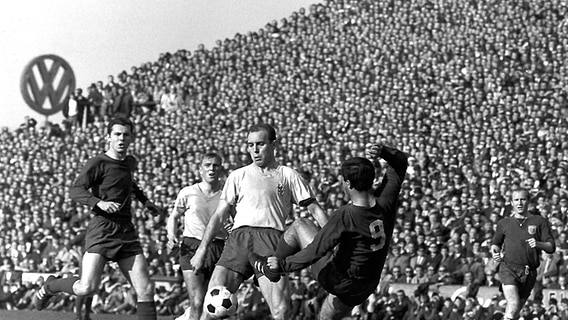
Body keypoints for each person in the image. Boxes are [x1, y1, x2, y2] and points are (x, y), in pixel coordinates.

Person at [251, 143, 408, 320]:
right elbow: (401, 162)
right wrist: (385, 152)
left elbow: (315, 251)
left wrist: (283, 265)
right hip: (367, 283)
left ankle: (271, 269)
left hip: (340, 280)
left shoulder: (346, 215)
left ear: (348, 183)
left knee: (299, 226)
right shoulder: (386, 200)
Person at [190, 123, 328, 320]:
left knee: (281, 311)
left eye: (260, 144)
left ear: (273, 145)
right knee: (211, 308)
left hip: (271, 241)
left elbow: (314, 209)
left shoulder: (287, 175)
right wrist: (202, 250)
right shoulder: (238, 175)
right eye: (250, 145)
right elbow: (219, 216)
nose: (254, 150)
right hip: (238, 240)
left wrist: (333, 237)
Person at [34, 117, 161, 320]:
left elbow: (130, 185)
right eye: (117, 134)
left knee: (146, 289)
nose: (121, 138)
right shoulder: (98, 162)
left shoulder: (130, 162)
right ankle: (51, 285)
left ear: (131, 138)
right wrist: (98, 203)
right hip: (102, 229)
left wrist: (146, 203)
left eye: (126, 135)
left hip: (126, 231)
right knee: (86, 287)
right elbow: (75, 190)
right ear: (108, 137)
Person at [166, 152, 228, 320]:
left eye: (215, 165)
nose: (211, 169)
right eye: (207, 165)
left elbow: (236, 222)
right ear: (200, 169)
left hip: (218, 248)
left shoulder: (227, 195)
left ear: (221, 169)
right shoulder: (188, 192)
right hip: (191, 247)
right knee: (197, 301)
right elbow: (173, 216)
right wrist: (171, 235)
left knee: (214, 303)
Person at [491, 188, 556, 320]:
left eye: (523, 199)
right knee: (513, 305)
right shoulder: (504, 223)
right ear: (511, 202)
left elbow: (551, 247)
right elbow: (495, 244)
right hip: (508, 268)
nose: (519, 203)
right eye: (516, 200)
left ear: (529, 202)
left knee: (514, 313)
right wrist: (495, 252)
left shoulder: (539, 221)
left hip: (529, 272)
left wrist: (538, 244)